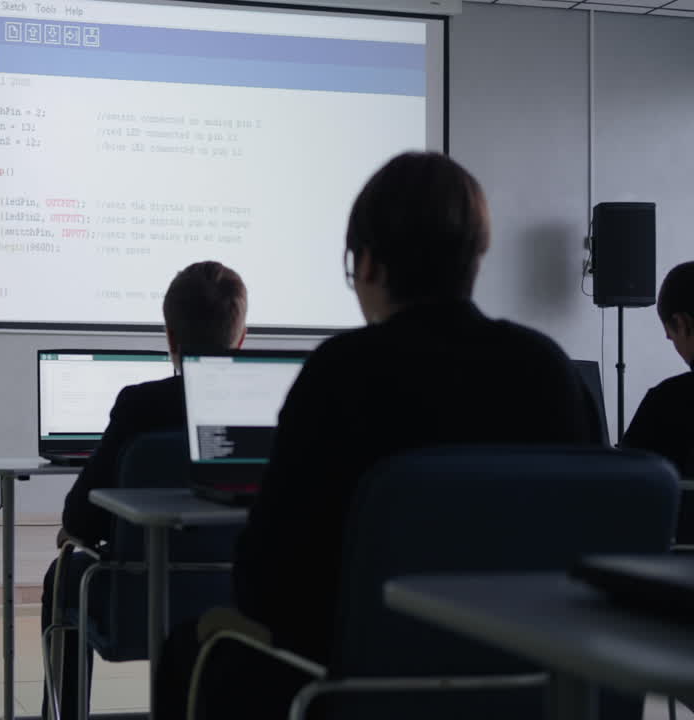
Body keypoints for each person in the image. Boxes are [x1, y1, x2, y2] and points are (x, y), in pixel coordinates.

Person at [155, 152, 606, 719]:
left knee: (186, 651)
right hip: (536, 685)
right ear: (476, 257)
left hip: (357, 688)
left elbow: (266, 584)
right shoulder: (549, 371)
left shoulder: (340, 373)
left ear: (367, 263)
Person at [43, 260, 248, 719]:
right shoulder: (272, 407)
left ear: (170, 338)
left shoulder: (140, 406)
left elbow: (80, 519)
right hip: (242, 601)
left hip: (136, 603)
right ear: (242, 338)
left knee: (64, 574)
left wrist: (76, 533)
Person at [622, 261, 694, 478]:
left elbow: (621, 484)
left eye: (671, 334)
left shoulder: (667, 401)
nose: (670, 340)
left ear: (681, 323)